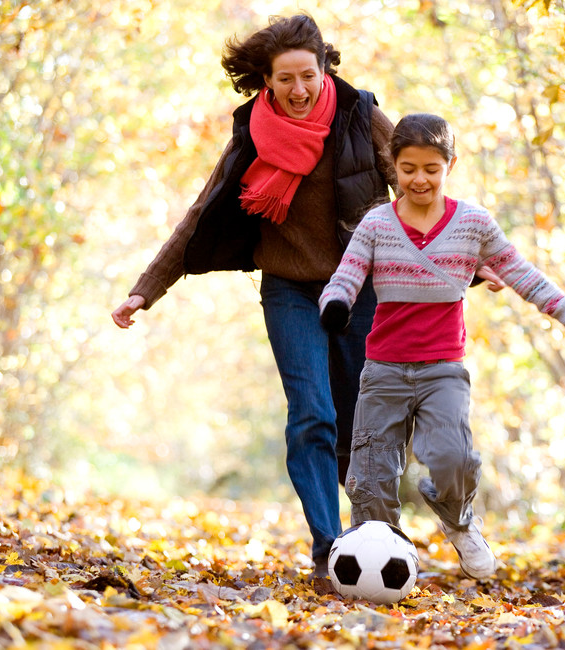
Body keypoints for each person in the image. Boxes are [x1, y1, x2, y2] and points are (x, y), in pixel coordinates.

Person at [110, 14, 397, 582]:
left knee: (361, 422)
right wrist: (145, 290)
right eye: (284, 79)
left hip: (361, 287)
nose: (298, 90)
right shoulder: (253, 132)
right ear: (266, 81)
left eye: (307, 77)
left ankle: (376, 534)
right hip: (289, 289)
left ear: (325, 70)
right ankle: (328, 545)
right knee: (312, 412)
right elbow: (202, 210)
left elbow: (417, 187)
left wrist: (468, 258)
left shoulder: (362, 117)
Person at [317, 113, 565, 579]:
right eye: (409, 168)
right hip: (383, 369)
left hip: (442, 369)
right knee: (371, 473)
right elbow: (347, 275)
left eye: (431, 169)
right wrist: (336, 304)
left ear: (450, 165)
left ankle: (458, 521)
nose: (419, 179)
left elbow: (523, 276)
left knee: (454, 458)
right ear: (392, 166)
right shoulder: (377, 224)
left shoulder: (473, 224)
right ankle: (377, 561)